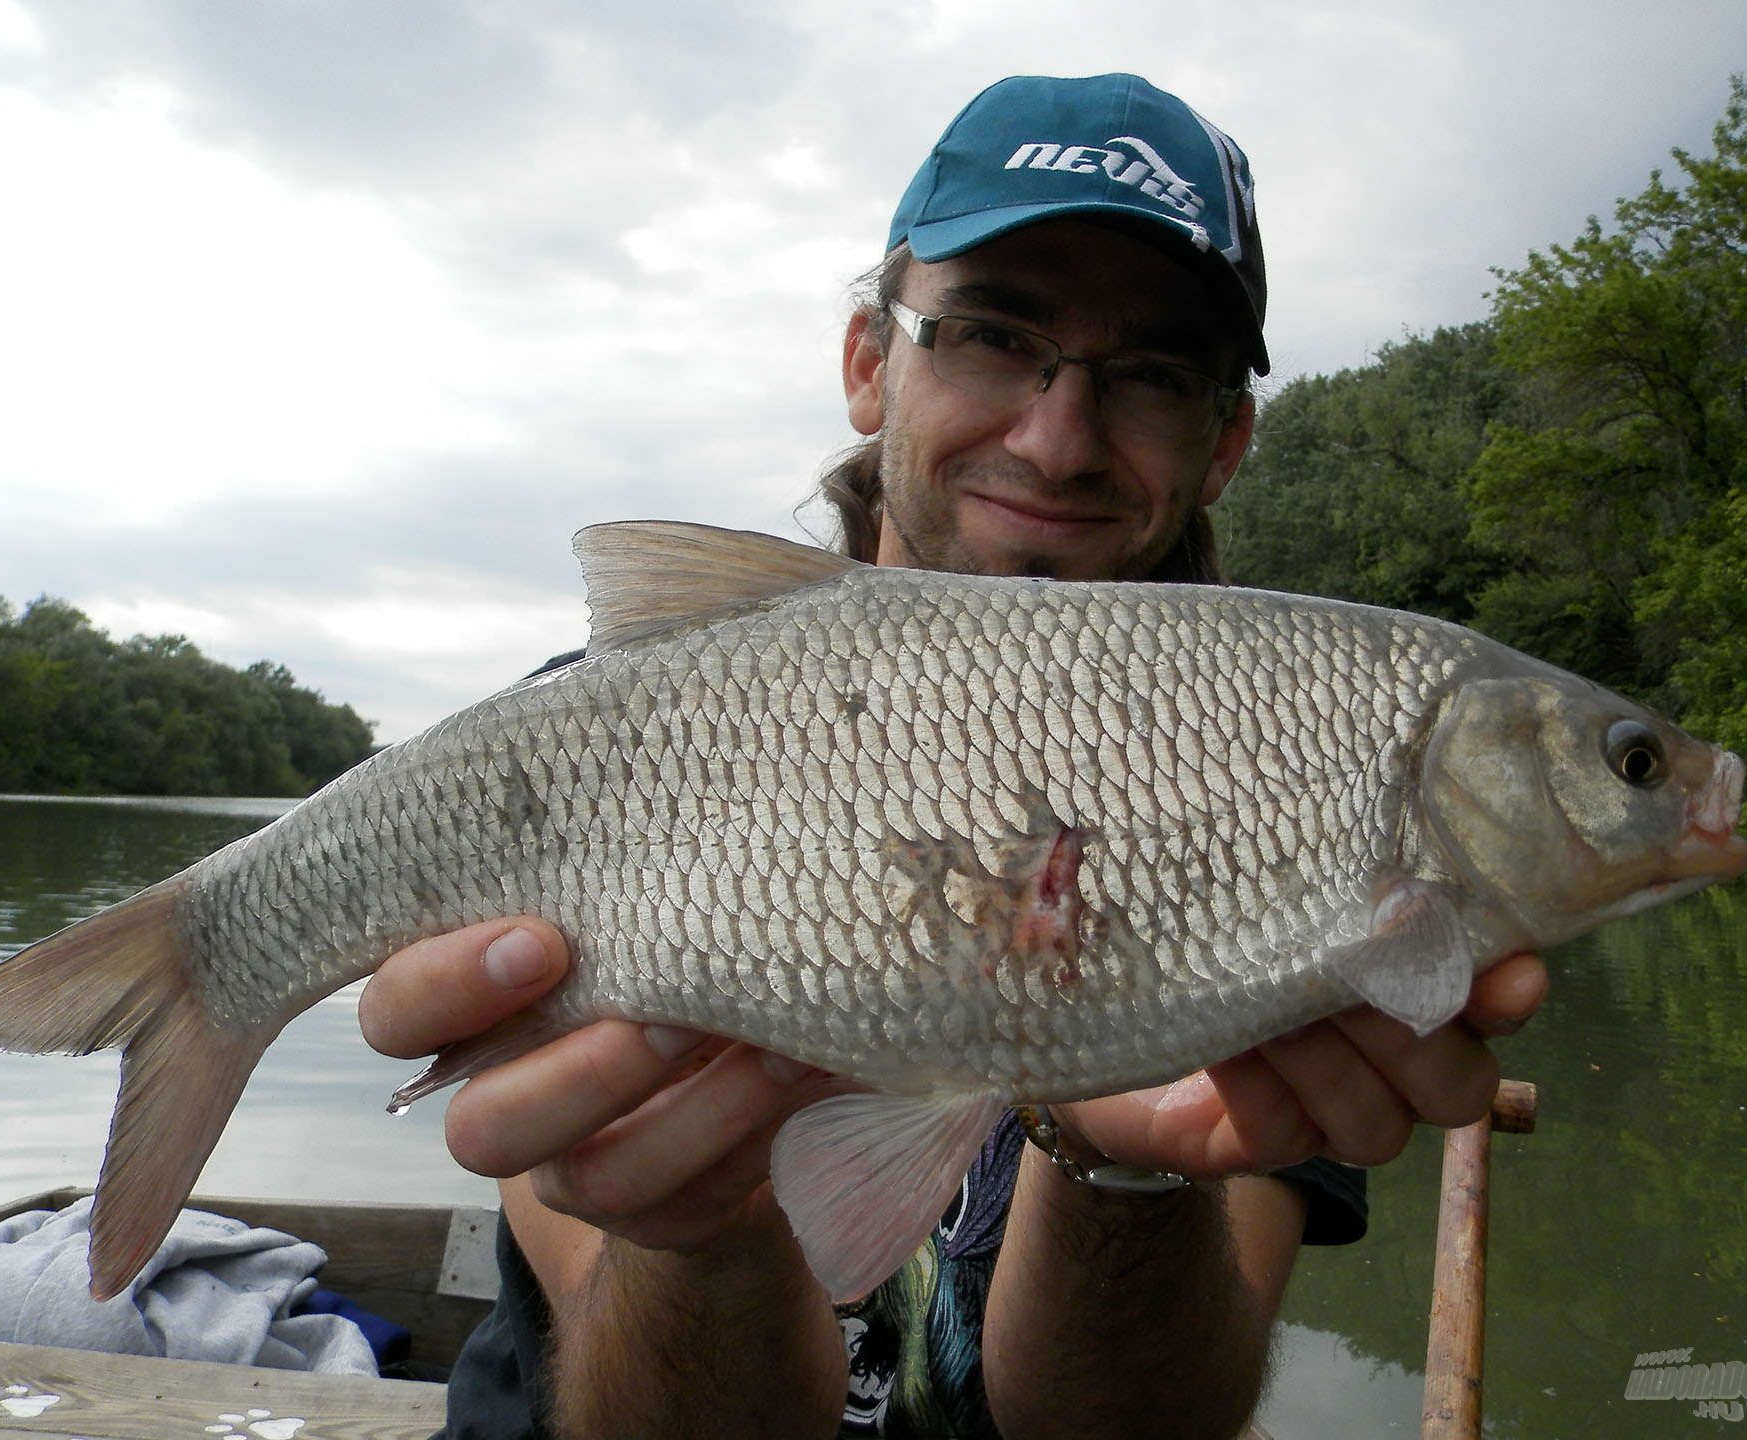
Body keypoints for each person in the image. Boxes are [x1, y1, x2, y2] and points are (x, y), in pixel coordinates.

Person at [358, 74, 1547, 1439]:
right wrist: (708, 1234)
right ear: (871, 359)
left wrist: (1125, 1167)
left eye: (1152, 375)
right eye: (989, 335)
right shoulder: (598, 740)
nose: (1054, 438)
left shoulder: (1296, 781)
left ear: (1223, 444)